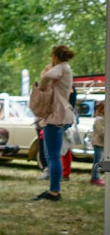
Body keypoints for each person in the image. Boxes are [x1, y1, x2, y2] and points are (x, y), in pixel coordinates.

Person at [34, 45, 75, 201]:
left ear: (55, 56)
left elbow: (45, 78)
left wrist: (42, 88)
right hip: (61, 114)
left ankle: (54, 192)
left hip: (56, 116)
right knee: (53, 155)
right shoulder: (66, 68)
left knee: (52, 156)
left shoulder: (62, 68)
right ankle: (54, 190)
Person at [91, 101, 105, 186]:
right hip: (98, 143)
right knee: (98, 161)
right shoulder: (99, 120)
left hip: (103, 143)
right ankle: (95, 177)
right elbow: (101, 132)